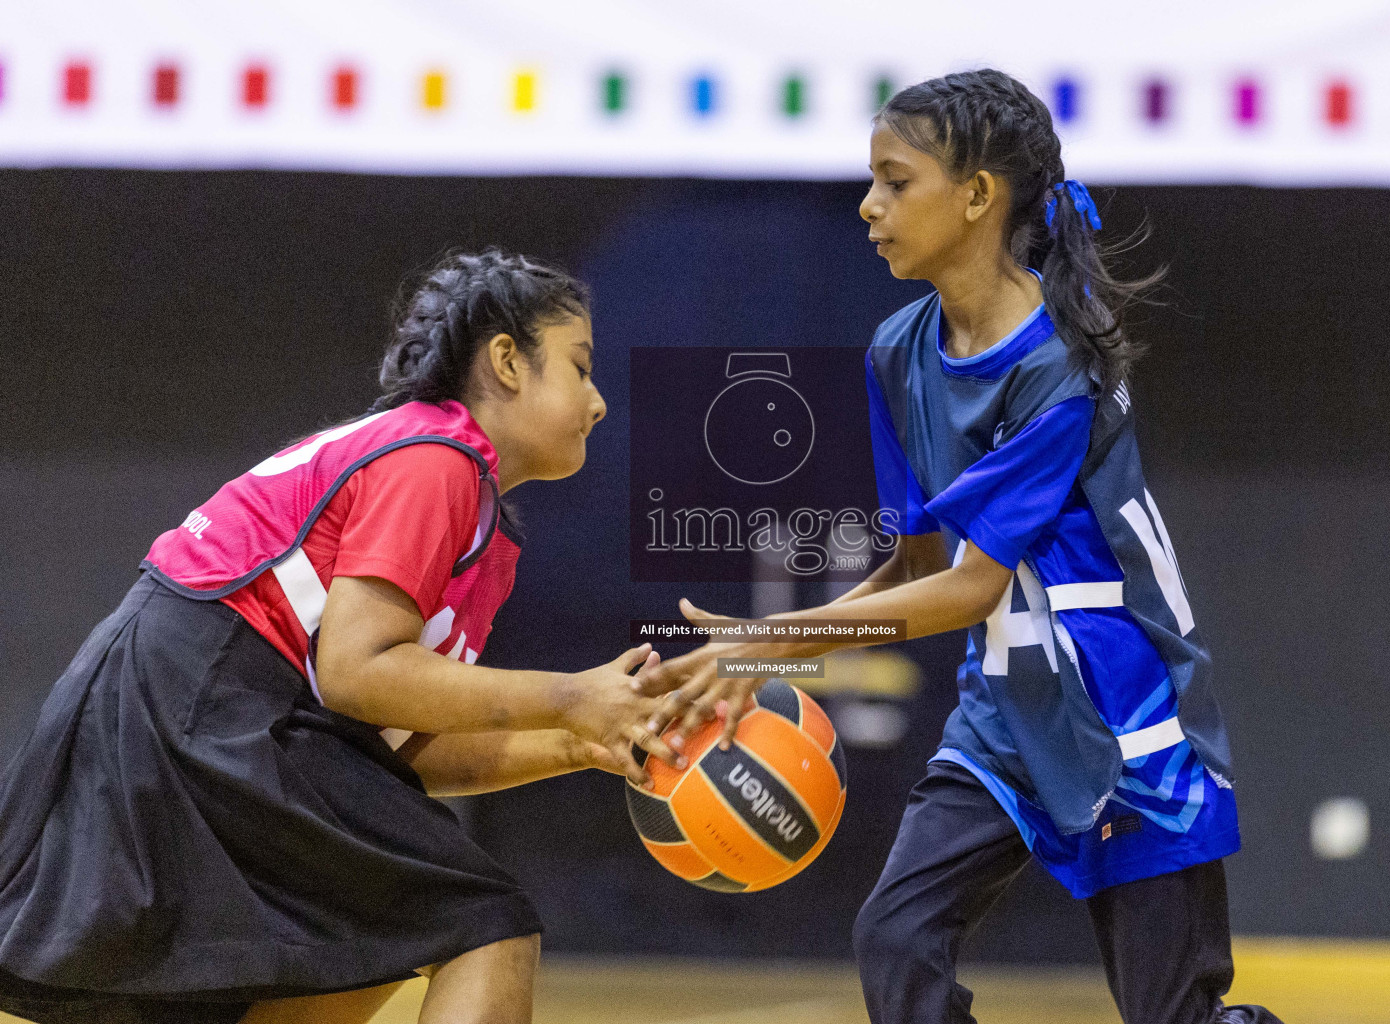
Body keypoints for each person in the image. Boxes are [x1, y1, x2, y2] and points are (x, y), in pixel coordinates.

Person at [641, 71, 1282, 1024]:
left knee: (1173, 1014)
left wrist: (769, 642)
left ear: (978, 195)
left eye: (895, 182)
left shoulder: (1060, 359)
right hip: (1003, 715)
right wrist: (774, 647)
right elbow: (922, 569)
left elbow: (972, 588)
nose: (868, 206)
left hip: (1124, 714)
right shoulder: (899, 350)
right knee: (897, 942)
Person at [0, 249, 685, 1024]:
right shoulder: (434, 458)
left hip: (196, 703)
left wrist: (579, 741)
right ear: (506, 362)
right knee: (481, 923)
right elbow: (358, 672)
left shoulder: (478, 528)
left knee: (377, 937)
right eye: (580, 367)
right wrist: (568, 695)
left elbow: (399, 746)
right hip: (196, 694)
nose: (598, 402)